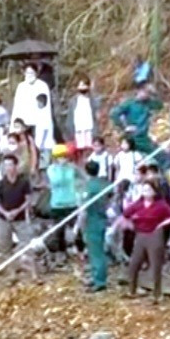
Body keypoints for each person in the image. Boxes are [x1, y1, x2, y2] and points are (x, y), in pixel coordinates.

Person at [122, 180, 170, 303]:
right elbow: (126, 213)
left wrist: (162, 224)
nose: (145, 192)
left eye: (148, 190)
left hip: (155, 234)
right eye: (143, 190)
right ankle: (132, 290)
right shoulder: (139, 204)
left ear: (154, 192)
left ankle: (157, 294)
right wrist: (132, 220)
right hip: (141, 234)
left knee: (155, 265)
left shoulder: (161, 204)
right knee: (134, 263)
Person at [0, 154, 34, 258]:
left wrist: (18, 210)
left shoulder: (23, 182)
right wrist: (5, 213)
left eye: (10, 165)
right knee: (3, 247)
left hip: (20, 218)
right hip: (4, 218)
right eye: (5, 165)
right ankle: (8, 269)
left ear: (16, 166)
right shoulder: (0, 183)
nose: (8, 168)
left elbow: (28, 199)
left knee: (27, 244)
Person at [80, 160, 111, 292]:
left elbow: (84, 209)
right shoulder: (104, 184)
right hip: (103, 218)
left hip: (93, 220)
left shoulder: (88, 187)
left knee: (96, 252)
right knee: (98, 250)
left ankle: (99, 280)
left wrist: (79, 226)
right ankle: (96, 276)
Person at [45, 144, 80, 255]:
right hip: (57, 204)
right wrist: (61, 168)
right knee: (59, 230)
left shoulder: (72, 168)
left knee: (77, 228)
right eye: (60, 156)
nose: (63, 159)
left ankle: (80, 250)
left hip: (71, 202)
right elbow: (56, 182)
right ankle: (61, 251)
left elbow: (83, 177)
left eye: (65, 156)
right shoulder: (51, 169)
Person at [110, 84, 162, 156]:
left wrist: (155, 94)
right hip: (133, 137)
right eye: (145, 92)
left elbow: (160, 106)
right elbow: (114, 114)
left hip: (145, 137)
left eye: (148, 93)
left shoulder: (149, 103)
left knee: (157, 154)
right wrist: (124, 127)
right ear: (139, 91)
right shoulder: (129, 103)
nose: (146, 95)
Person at [11, 63, 52, 141]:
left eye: (32, 72)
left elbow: (43, 105)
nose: (29, 75)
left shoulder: (42, 85)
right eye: (27, 72)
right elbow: (17, 105)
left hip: (37, 121)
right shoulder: (21, 86)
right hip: (23, 121)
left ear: (36, 73)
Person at [66, 75, 101, 152]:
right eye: (80, 85)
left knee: (90, 149)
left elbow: (97, 114)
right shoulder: (73, 101)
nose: (82, 87)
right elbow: (70, 117)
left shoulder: (92, 100)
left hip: (90, 129)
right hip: (78, 130)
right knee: (79, 150)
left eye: (84, 85)